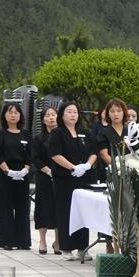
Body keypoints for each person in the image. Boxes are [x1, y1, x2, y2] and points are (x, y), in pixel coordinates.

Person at [48, 101, 98, 261]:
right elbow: (55, 155)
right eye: (69, 112)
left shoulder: (85, 132)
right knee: (66, 211)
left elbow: (94, 152)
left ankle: (83, 247)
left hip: (83, 178)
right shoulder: (57, 133)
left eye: (75, 112)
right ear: (62, 115)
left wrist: (87, 166)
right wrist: (72, 168)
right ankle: (66, 248)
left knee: (83, 211)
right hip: (64, 179)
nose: (72, 115)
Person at [0, 102, 33, 250]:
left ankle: (23, 241)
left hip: (23, 174)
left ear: (20, 115)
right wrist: (8, 171)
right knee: (6, 207)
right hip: (5, 174)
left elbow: (30, 155)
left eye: (16, 112)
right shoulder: (0, 134)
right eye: (10, 112)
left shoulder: (26, 134)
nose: (13, 115)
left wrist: (25, 170)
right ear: (4, 115)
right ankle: (6, 240)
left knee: (23, 207)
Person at [32, 106, 61, 254]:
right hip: (43, 176)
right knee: (42, 208)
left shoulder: (62, 135)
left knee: (58, 208)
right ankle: (42, 241)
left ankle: (58, 241)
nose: (51, 117)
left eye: (53, 115)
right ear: (43, 120)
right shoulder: (38, 138)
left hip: (60, 176)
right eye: (47, 115)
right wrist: (48, 171)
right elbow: (35, 159)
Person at [96, 99, 129, 169]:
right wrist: (120, 168)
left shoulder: (130, 131)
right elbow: (104, 155)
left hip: (131, 170)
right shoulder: (103, 133)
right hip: (111, 172)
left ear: (124, 113)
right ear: (108, 114)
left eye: (119, 111)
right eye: (112, 111)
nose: (116, 114)